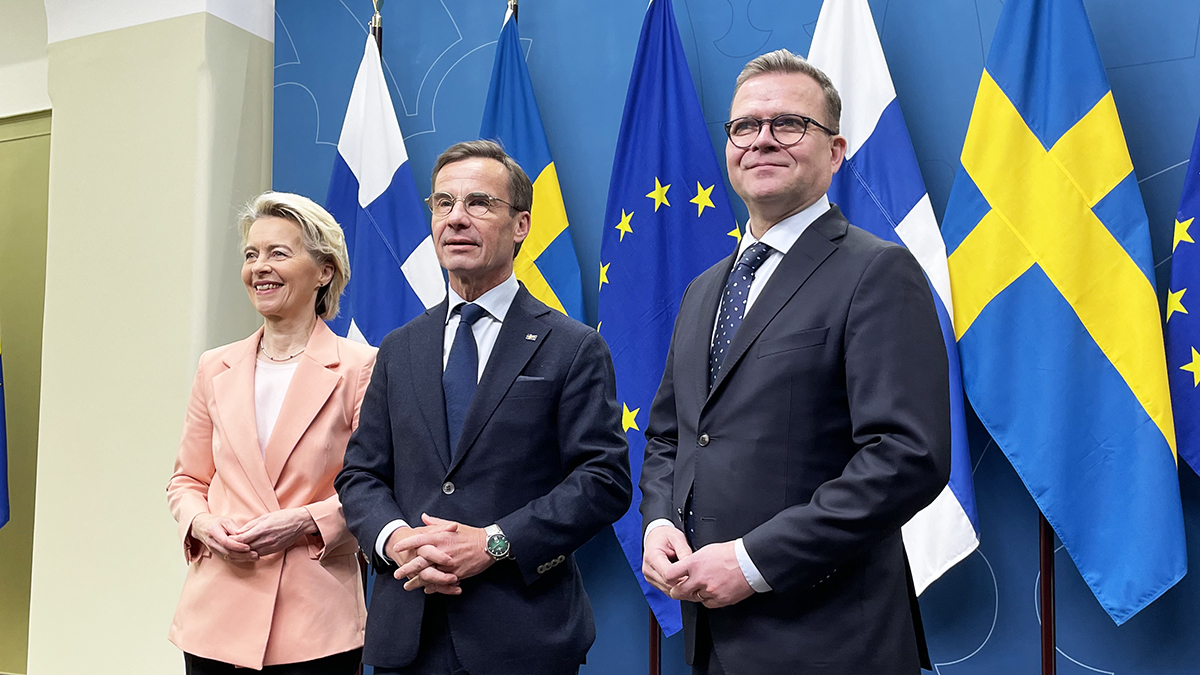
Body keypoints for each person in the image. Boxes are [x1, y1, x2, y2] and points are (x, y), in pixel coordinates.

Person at [639, 49, 951, 675]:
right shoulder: (704, 290)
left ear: (835, 152)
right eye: (744, 126)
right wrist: (658, 522)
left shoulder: (877, 272)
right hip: (711, 639)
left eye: (787, 124)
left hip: (831, 641)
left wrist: (754, 562)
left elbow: (906, 456)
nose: (762, 140)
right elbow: (672, 436)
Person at [335, 139, 632, 675]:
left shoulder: (572, 347)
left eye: (478, 203)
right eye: (443, 203)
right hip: (410, 631)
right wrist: (396, 540)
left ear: (521, 225)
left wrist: (495, 543)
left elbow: (602, 480)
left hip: (524, 636)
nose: (456, 218)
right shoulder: (399, 348)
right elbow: (361, 474)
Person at [167, 192, 376, 674]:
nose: (259, 267)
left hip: (314, 620)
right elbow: (186, 481)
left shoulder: (361, 367)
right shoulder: (214, 366)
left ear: (324, 271)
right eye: (251, 254)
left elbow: (376, 489)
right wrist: (201, 524)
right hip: (215, 612)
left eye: (278, 253)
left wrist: (304, 521)